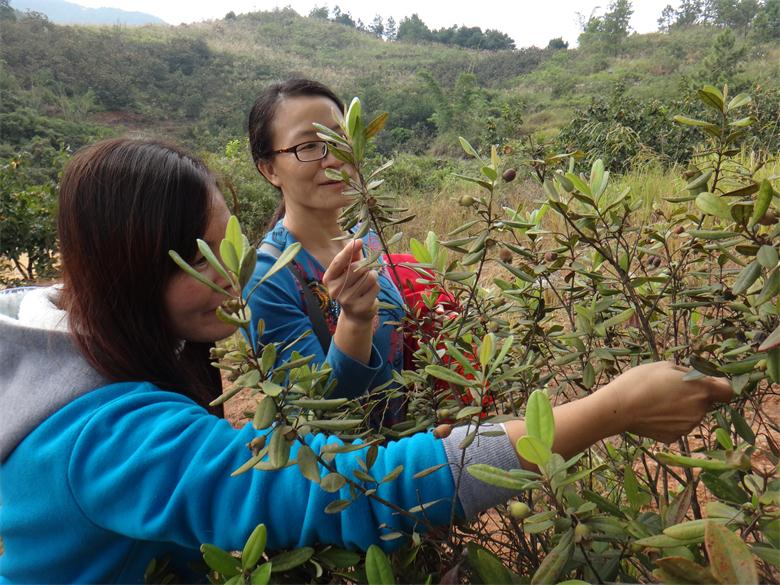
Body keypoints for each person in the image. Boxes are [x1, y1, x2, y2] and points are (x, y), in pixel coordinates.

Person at [0, 137, 733, 583]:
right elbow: (349, 488)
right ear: (124, 268)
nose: (231, 273)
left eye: (226, 243)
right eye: (197, 257)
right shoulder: (103, 433)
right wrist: (612, 409)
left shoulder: (66, 338)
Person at [245, 79, 408, 421]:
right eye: (308, 146)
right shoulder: (266, 280)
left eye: (338, 139)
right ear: (269, 169)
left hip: (415, 449)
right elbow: (314, 411)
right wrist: (355, 319)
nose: (333, 158)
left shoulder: (365, 238)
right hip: (352, 467)